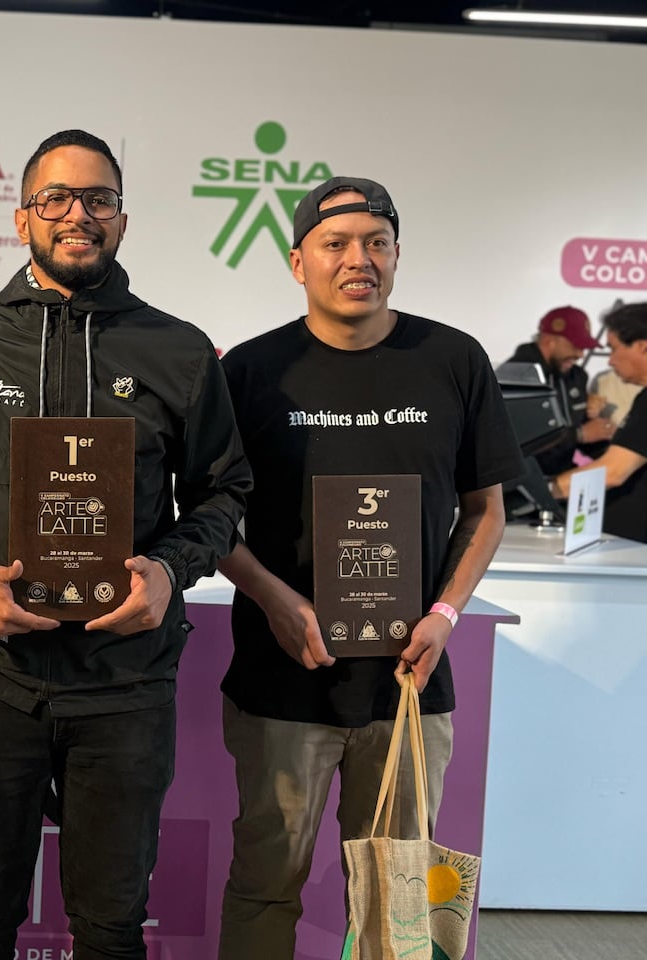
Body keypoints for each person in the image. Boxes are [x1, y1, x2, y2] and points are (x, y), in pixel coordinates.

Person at [0, 129, 251, 960]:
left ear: (122, 219)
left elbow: (224, 495)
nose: (78, 214)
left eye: (99, 199)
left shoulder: (180, 350)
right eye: (56, 198)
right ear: (23, 219)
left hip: (127, 685)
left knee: (111, 930)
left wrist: (169, 570)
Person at [215, 176, 523, 959]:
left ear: (396, 255)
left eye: (377, 242)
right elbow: (208, 520)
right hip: (283, 683)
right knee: (265, 885)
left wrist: (445, 614)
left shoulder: (453, 360)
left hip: (409, 685)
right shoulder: (250, 372)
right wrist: (275, 600)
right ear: (298, 262)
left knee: (399, 898)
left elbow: (486, 510)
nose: (360, 259)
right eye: (336, 243)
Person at [552, 302, 647, 542]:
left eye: (613, 349)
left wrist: (545, 491)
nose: (610, 361)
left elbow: (613, 471)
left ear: (642, 346)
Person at [506, 305, 615, 473]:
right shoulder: (513, 377)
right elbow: (514, 440)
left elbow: (585, 433)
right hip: (522, 481)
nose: (581, 355)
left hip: (563, 475)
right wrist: (579, 434)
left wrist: (609, 441)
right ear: (549, 341)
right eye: (576, 346)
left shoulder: (577, 376)